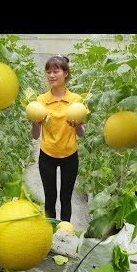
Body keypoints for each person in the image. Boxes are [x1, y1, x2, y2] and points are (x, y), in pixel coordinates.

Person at [30, 55, 89, 222]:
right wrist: (35, 123)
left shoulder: (76, 101)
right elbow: (35, 135)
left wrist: (77, 126)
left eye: (56, 71)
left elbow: (82, 134)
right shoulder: (40, 101)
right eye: (48, 72)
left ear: (66, 74)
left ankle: (65, 231)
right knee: (50, 198)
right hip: (47, 154)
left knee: (66, 198)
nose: (51, 75)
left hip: (70, 155)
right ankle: (51, 232)